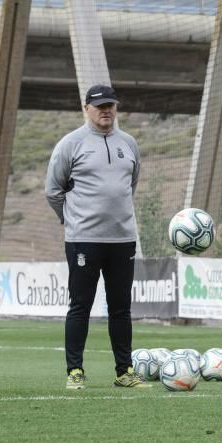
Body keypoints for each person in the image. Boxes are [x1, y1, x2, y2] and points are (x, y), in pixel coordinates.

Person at [45, 84, 149, 389]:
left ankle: (124, 372)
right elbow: (53, 190)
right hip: (83, 240)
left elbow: (131, 184)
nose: (106, 110)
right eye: (100, 106)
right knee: (80, 305)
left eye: (111, 105)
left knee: (121, 308)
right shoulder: (70, 144)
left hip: (123, 240)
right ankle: (74, 371)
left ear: (116, 108)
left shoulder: (128, 143)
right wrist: (71, 220)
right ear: (86, 109)